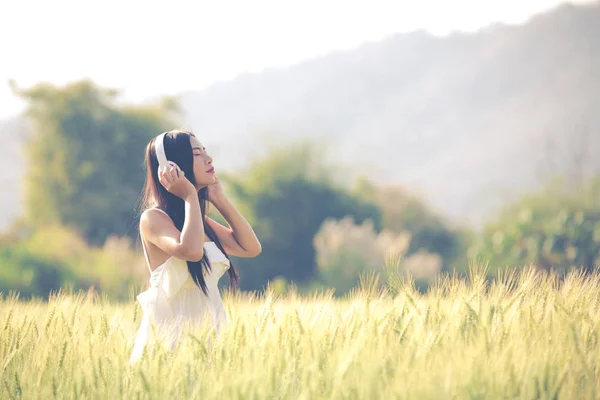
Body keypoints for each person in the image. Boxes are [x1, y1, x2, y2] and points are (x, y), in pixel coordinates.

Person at [129, 129, 261, 363]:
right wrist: (190, 195)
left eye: (205, 151)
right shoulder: (153, 219)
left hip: (209, 334)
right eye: (197, 153)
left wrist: (220, 200)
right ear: (173, 166)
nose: (208, 159)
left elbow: (251, 248)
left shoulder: (199, 222)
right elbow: (191, 251)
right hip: (170, 341)